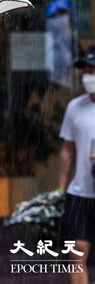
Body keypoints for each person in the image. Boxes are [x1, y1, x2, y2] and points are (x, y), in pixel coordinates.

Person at [58, 45, 95, 284]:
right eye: (87, 71)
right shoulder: (75, 107)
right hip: (79, 192)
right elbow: (66, 150)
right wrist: (60, 189)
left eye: (94, 70)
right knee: (77, 251)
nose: (89, 76)